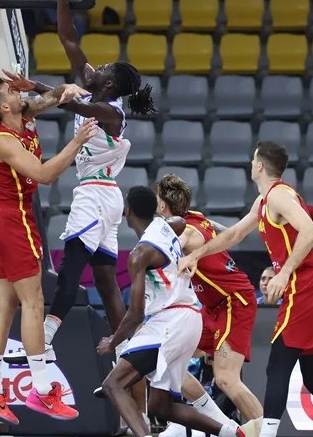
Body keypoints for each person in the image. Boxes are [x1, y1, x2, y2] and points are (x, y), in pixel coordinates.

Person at [4, 0, 158, 366]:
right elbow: (68, 38)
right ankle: (129, 353)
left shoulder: (111, 112)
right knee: (106, 281)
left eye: (102, 68)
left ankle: (44, 340)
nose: (95, 66)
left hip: (95, 196)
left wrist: (50, 88)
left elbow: (75, 103)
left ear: (109, 84)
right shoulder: (94, 91)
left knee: (71, 266)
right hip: (104, 197)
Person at [180, 141, 313, 437]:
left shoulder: (279, 195)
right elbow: (235, 234)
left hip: (306, 283)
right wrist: (196, 253)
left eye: (253, 160)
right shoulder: (264, 200)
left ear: (259, 166)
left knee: (278, 365)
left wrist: (285, 272)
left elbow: (310, 231)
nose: (250, 164)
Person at [0, 72, 95, 424]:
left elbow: (51, 98)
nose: (17, 92)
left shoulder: (21, 113)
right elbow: (43, 175)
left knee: (6, 304)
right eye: (11, 91)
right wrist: (77, 142)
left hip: (3, 217)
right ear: (4, 107)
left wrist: (58, 88)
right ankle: (41, 390)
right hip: (13, 218)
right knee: (33, 302)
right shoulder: (1, 140)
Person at [97, 187, 247, 437]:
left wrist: (113, 342)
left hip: (170, 321)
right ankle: (233, 433)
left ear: (128, 211)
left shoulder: (139, 254)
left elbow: (136, 314)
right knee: (161, 406)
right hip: (191, 318)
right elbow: (182, 221)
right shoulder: (168, 226)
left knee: (113, 384)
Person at [154, 174, 263, 431]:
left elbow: (176, 246)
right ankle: (222, 425)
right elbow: (222, 232)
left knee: (226, 378)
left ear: (162, 206)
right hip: (212, 308)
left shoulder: (187, 233)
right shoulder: (197, 217)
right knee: (168, 359)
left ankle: (267, 431)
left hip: (233, 302)